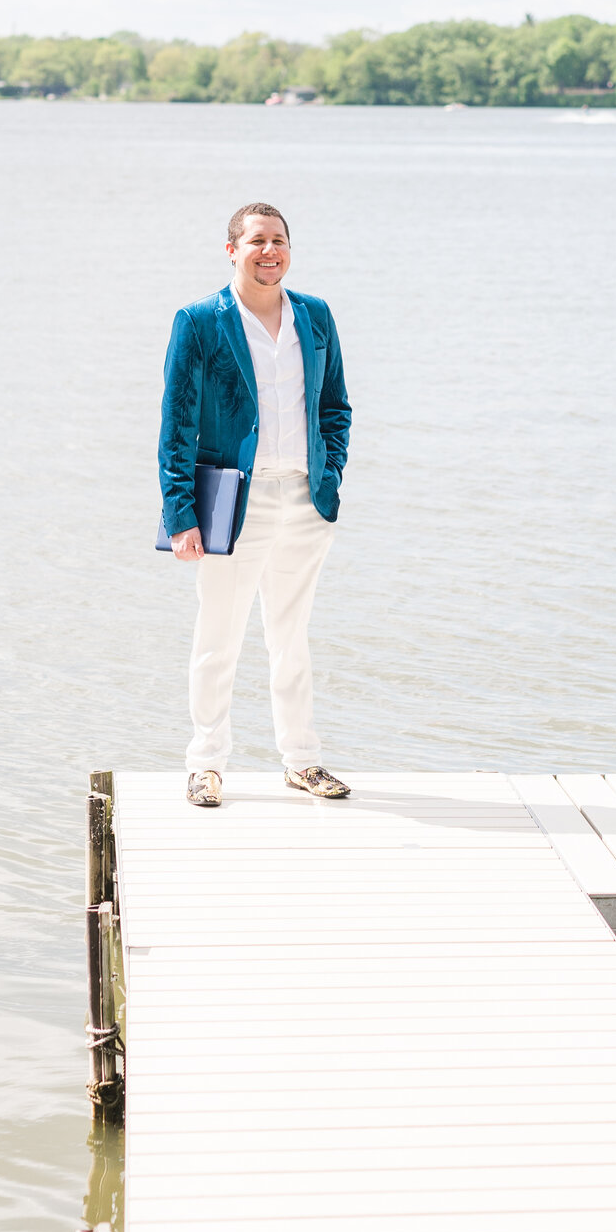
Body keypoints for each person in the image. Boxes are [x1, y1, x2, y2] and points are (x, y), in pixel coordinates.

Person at [159, 202, 353, 808]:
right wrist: (180, 513)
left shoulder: (315, 317)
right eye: (257, 241)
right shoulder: (200, 322)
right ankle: (206, 764)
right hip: (233, 502)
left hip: (304, 499)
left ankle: (302, 761)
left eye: (279, 241)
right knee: (218, 637)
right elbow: (177, 423)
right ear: (232, 250)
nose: (269, 252)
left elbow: (336, 407)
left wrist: (332, 473)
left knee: (291, 639)